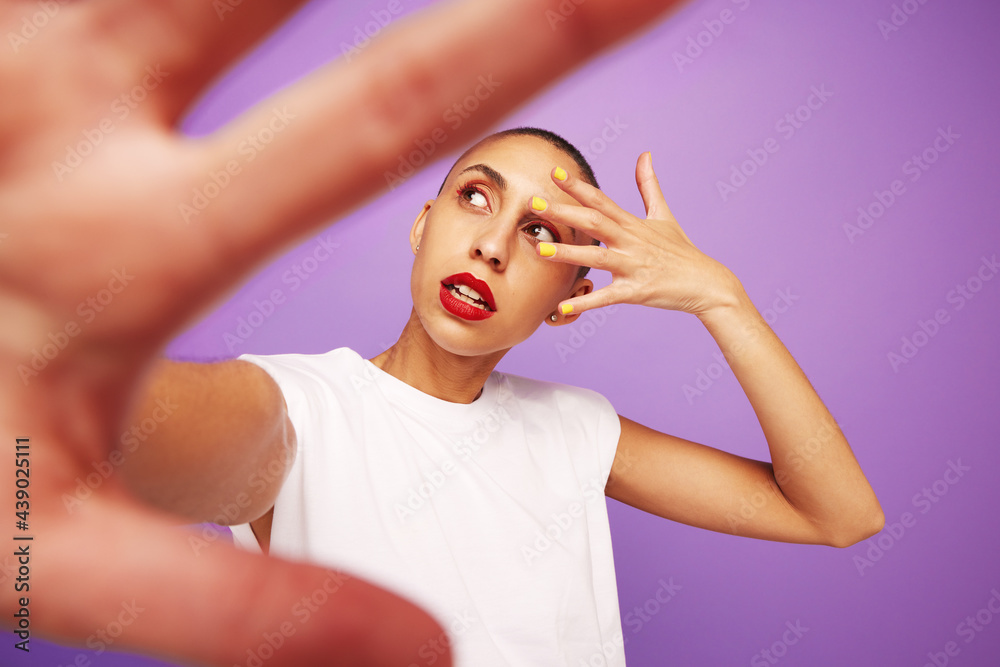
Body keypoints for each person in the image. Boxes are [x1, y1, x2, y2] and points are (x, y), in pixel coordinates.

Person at [0, 1, 883, 666]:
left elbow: (838, 513)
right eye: (474, 197)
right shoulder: (304, 406)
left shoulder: (578, 429)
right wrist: (52, 385)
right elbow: (181, 433)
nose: (493, 244)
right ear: (423, 225)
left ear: (575, 288)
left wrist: (720, 298)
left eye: (540, 231)